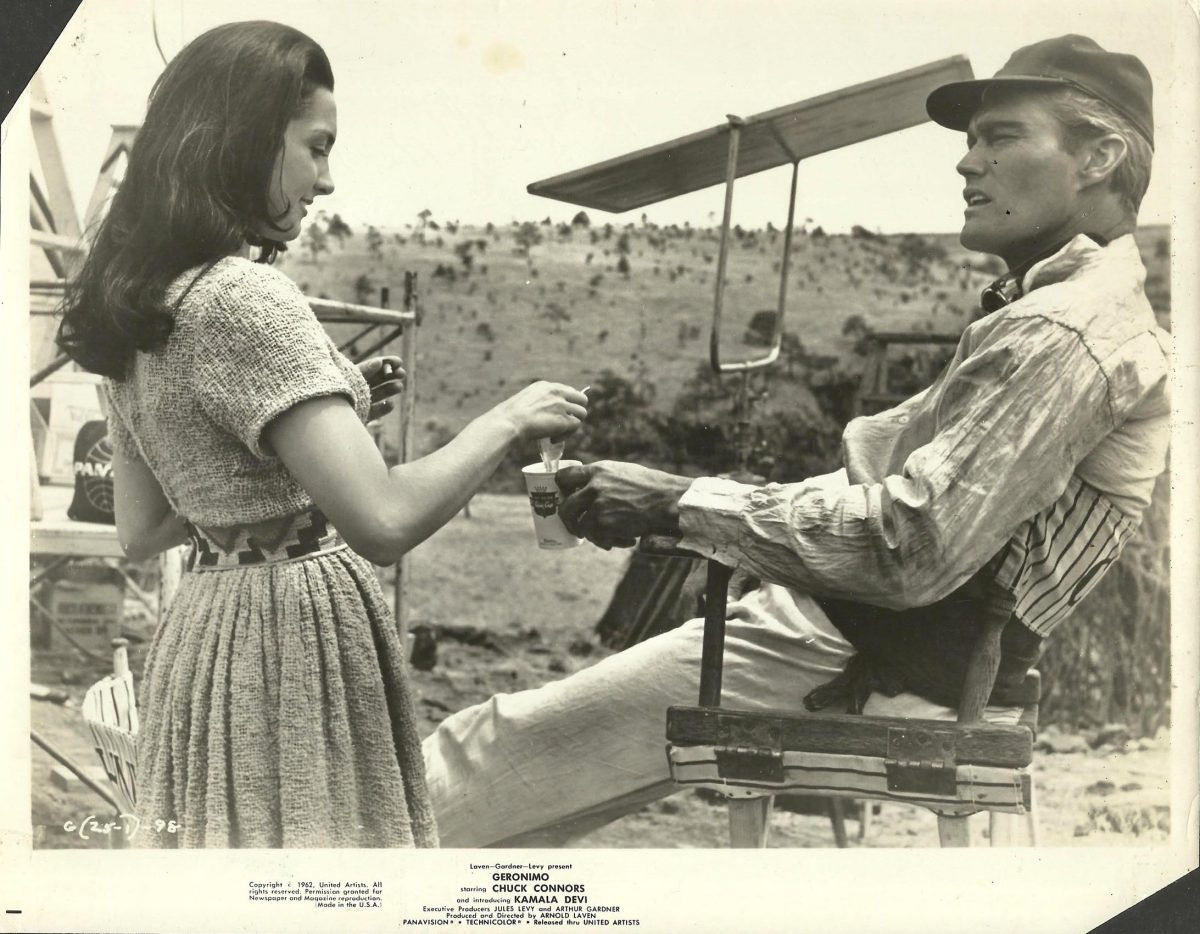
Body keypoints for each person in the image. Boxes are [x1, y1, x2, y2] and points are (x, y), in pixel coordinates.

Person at [421, 34, 1170, 846]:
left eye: (1002, 137)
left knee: (479, 755)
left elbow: (909, 542)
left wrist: (678, 502)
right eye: (970, 140)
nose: (966, 162)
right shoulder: (1065, 307)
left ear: (1099, 157)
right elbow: (888, 488)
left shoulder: (1067, 328)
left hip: (856, 646)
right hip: (860, 633)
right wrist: (682, 499)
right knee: (508, 791)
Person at [55, 21, 588, 848]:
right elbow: (383, 521)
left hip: (205, 641)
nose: (327, 180)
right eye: (316, 147)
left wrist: (310, 438)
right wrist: (508, 420)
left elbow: (145, 528)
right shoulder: (246, 298)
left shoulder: (135, 307)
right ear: (243, 140)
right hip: (290, 642)